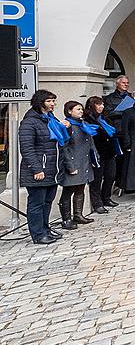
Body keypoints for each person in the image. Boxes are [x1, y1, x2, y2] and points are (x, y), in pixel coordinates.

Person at [19, 90, 66, 245]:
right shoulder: (30, 122)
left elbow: (61, 140)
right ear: (40, 103)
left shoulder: (50, 119)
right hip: (39, 170)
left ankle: (46, 229)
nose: (52, 104)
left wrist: (66, 127)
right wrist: (37, 169)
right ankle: (38, 234)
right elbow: (27, 148)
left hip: (52, 170)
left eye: (53, 101)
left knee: (47, 202)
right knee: (36, 204)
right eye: (49, 101)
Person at [58, 101, 97, 230]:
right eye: (77, 109)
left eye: (81, 109)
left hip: (84, 162)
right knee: (68, 191)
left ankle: (78, 215)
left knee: (80, 188)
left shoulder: (83, 125)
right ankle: (66, 219)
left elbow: (90, 143)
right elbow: (64, 148)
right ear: (69, 111)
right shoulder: (67, 126)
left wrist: (95, 157)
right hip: (73, 162)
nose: (81, 111)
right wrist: (70, 165)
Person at [85, 96, 119, 213]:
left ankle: (106, 197)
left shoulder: (105, 119)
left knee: (110, 176)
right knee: (97, 179)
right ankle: (97, 203)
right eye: (98, 104)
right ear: (91, 106)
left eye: (102, 104)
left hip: (109, 152)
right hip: (97, 153)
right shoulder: (88, 120)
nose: (101, 107)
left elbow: (113, 133)